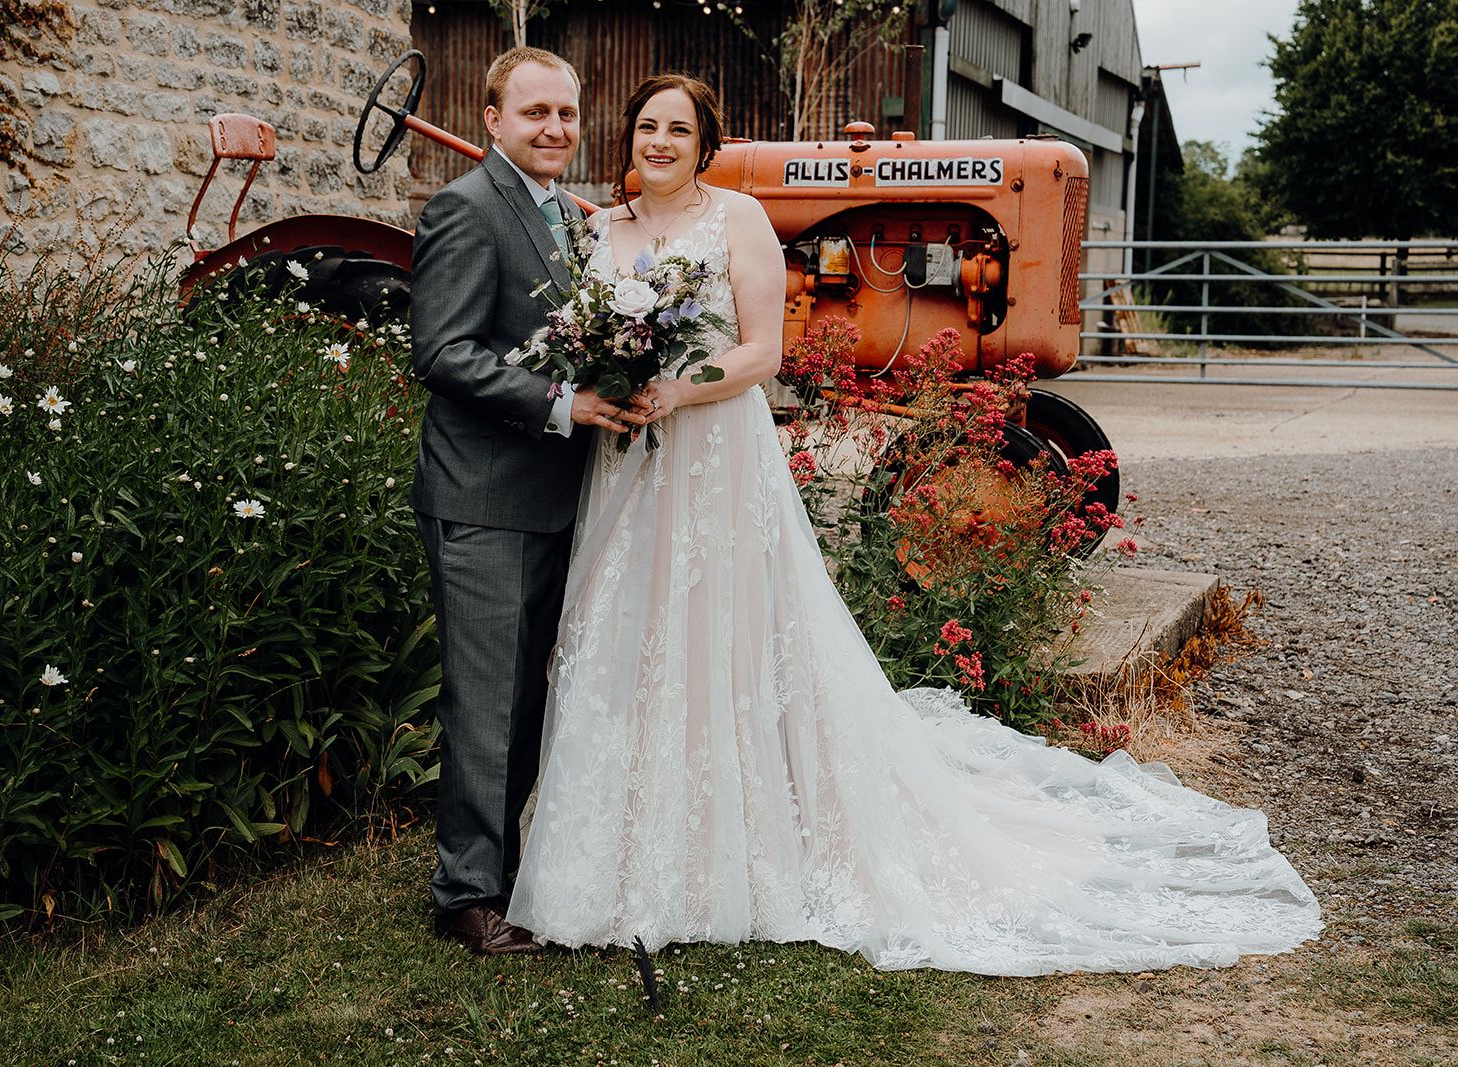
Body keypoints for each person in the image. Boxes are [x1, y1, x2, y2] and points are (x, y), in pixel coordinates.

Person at [504, 74, 1323, 974]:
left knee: (722, 625)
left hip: (709, 451)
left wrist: (674, 386)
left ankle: (734, 841)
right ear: (630, 138)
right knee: (622, 627)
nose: (660, 141)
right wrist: (612, 381)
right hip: (625, 461)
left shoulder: (736, 221)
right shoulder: (598, 233)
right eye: (647, 126)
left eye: (679, 129)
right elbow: (578, 335)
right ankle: (612, 845)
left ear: (705, 143)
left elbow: (762, 354)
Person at [409, 46, 642, 956]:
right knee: (485, 700)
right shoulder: (464, 210)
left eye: (568, 115)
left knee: (523, 699)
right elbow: (443, 353)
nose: (555, 129)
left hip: (548, 494)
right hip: (482, 496)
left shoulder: (564, 217)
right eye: (535, 113)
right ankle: (464, 896)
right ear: (493, 120)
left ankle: (497, 871)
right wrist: (565, 403)